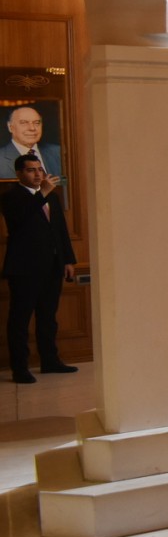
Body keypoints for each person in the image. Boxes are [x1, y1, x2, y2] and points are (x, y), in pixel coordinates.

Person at [4, 155, 77, 383]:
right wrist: (42, 194)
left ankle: (50, 360)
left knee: (48, 317)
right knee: (20, 320)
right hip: (24, 269)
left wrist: (68, 260)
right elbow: (19, 221)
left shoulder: (52, 198)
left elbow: (60, 230)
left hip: (52, 267)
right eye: (30, 170)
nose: (37, 175)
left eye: (39, 169)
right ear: (19, 174)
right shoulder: (11, 198)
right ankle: (20, 368)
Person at [0, 106, 63, 180]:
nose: (32, 128)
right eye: (24, 123)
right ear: (10, 127)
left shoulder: (58, 152)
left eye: (36, 123)